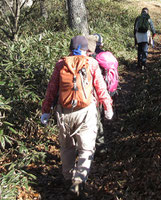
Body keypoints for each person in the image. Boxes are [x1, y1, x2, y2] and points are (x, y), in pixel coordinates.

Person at [40, 35, 114, 197]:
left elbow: (51, 90)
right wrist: (107, 106)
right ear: (86, 49)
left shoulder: (61, 64)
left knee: (67, 147)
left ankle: (67, 177)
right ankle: (79, 180)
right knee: (86, 148)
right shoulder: (92, 63)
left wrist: (46, 111)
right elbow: (100, 87)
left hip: (63, 111)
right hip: (86, 111)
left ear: (70, 48)